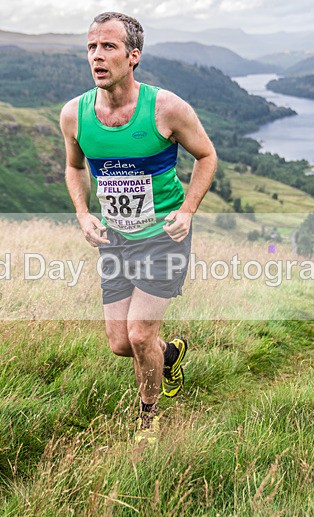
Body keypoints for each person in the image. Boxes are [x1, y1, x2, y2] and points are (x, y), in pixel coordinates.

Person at [59, 12, 217, 444]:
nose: (97, 56)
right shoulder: (75, 115)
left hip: (163, 237)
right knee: (119, 342)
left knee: (139, 331)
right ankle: (169, 355)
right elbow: (74, 168)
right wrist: (83, 212)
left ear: (133, 56)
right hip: (115, 240)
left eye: (108, 47)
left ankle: (148, 421)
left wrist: (187, 210)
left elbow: (207, 156)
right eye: (91, 47)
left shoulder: (166, 108)